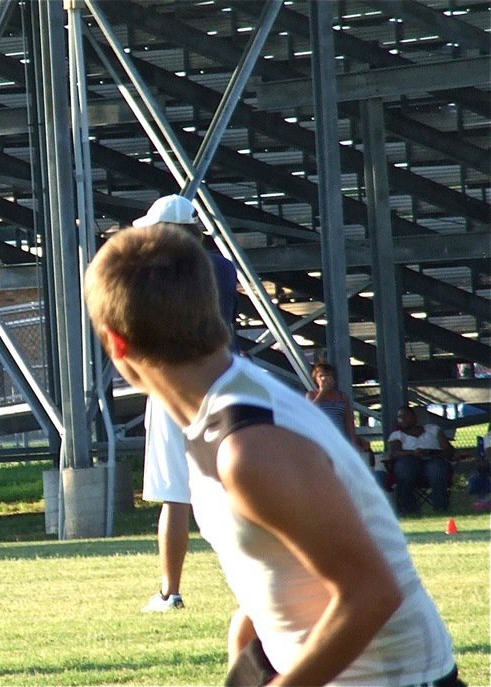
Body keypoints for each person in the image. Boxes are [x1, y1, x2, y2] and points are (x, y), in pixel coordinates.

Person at [84, 226, 462, 686]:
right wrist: (250, 651)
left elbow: (372, 592)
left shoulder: (250, 448)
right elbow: (279, 562)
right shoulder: (214, 410)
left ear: (117, 342)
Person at [133, 194, 238, 613]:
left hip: (174, 382)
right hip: (223, 378)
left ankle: (169, 591)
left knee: (175, 495)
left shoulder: (153, 274)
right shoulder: (224, 269)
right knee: (234, 490)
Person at [305, 361, 385, 489]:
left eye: (329, 376)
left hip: (340, 438)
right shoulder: (312, 395)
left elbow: (348, 420)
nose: (325, 379)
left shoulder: (342, 396)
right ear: (316, 379)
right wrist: (323, 393)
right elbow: (309, 411)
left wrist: (353, 441)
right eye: (321, 376)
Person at [387, 405, 456, 515]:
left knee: (437, 468)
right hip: (410, 463)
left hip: (434, 459)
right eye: (400, 417)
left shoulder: (433, 429)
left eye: (405, 416)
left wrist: (432, 453)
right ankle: (410, 510)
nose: (402, 419)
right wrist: (413, 453)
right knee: (403, 466)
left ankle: (440, 509)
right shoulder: (397, 435)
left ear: (415, 417)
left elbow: (448, 449)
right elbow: (395, 453)